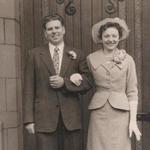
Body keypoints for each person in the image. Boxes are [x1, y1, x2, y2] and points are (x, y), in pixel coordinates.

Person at [23, 14, 92, 150]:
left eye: (57, 27)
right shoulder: (34, 54)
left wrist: (65, 83)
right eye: (50, 29)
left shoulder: (77, 54)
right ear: (45, 33)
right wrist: (28, 120)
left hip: (71, 118)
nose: (54, 31)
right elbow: (28, 89)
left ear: (63, 29)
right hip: (44, 118)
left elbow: (88, 82)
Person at [86, 17, 141, 150]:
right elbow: (85, 81)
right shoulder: (91, 58)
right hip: (98, 113)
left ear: (119, 37)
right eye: (107, 36)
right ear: (101, 38)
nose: (111, 39)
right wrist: (75, 76)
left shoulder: (128, 60)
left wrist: (133, 121)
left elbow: (132, 92)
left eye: (114, 36)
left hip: (121, 113)